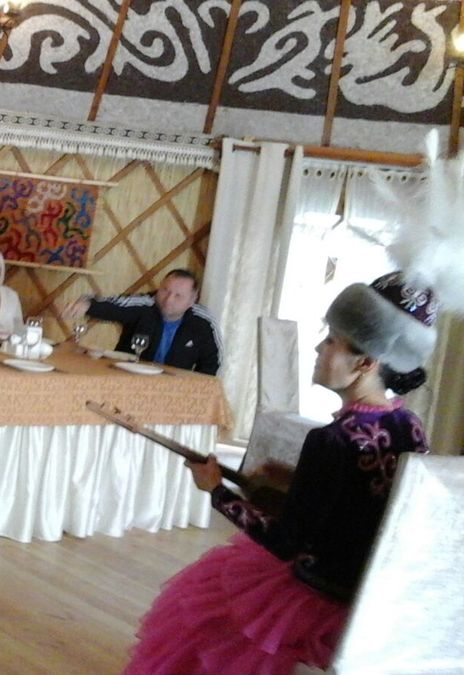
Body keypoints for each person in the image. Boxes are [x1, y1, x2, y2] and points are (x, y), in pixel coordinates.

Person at [124, 271, 437, 674]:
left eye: (331, 341)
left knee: (207, 628)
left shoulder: (332, 439)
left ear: (365, 363)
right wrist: (291, 478)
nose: (318, 348)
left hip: (319, 597)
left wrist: (216, 490)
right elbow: (362, 501)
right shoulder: (409, 425)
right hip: (374, 596)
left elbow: (287, 542)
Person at [65, 269, 220, 375]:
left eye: (178, 296)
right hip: (126, 379)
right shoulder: (144, 304)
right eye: (165, 290)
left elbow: (213, 363)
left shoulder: (203, 322)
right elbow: (113, 306)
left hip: (172, 389)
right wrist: (88, 305)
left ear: (192, 299)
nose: (168, 299)